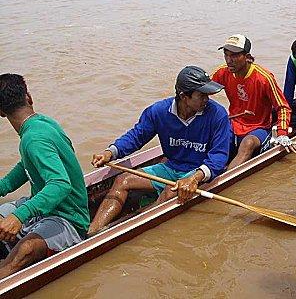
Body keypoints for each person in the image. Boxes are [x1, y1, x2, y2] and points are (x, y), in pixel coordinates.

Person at [88, 66, 231, 234]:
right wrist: (110, 153)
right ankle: (92, 233)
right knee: (122, 180)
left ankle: (132, 229)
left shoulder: (218, 114)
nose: (207, 99)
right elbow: (137, 136)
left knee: (169, 193)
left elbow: (219, 156)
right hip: (171, 168)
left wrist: (194, 178)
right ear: (184, 96)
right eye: (202, 95)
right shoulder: (158, 111)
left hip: (198, 171)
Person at [0, 74, 90, 279]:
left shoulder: (34, 138)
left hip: (68, 217)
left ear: (1, 112)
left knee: (25, 250)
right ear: (29, 97)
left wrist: (19, 216)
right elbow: (22, 170)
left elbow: (60, 184)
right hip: (42, 209)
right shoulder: (41, 124)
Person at [212, 34, 296, 171]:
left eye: (234, 56)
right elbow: (204, 92)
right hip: (234, 123)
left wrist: (282, 134)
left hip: (258, 127)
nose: (229, 60)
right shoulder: (222, 72)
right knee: (213, 136)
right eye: (226, 55)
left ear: (247, 57)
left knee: (248, 143)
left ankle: (223, 179)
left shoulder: (263, 78)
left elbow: (282, 107)